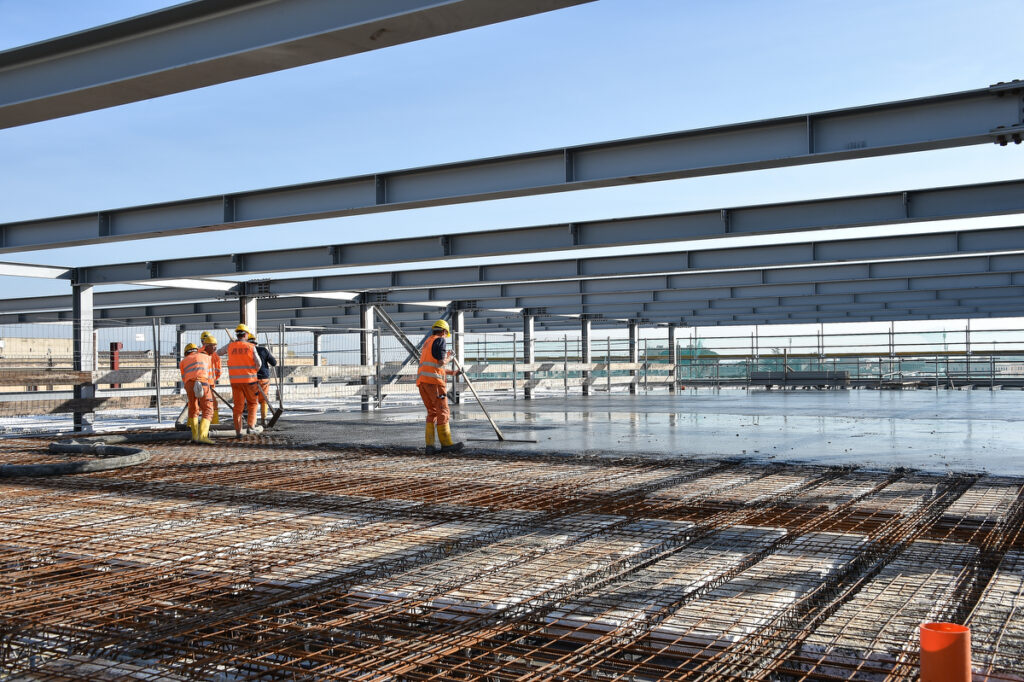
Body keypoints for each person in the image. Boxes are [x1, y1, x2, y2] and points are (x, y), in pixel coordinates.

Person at [416, 319, 463, 453]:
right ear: (443, 331)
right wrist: (450, 357)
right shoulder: (440, 340)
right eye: (445, 334)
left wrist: (453, 373)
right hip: (435, 385)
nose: (445, 336)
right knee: (443, 411)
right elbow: (441, 362)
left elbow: (433, 366)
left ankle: (430, 446)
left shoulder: (427, 342)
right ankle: (446, 444)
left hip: (423, 383)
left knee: (432, 412)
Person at [225, 323, 263, 436]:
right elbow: (259, 363)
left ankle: (238, 431)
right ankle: (251, 426)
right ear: (246, 335)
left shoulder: (230, 346)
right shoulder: (251, 347)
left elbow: (217, 353)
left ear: (237, 334)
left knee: (238, 407)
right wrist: (253, 371)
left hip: (235, 382)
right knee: (252, 403)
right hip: (250, 381)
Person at [178, 342, 214, 444]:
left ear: (186, 353)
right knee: (208, 409)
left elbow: (184, 378)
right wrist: (210, 386)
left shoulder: (183, 361)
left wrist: (189, 389)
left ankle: (195, 437)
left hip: (189, 384)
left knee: (193, 408)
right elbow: (210, 374)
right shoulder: (205, 357)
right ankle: (203, 436)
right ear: (196, 350)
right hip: (203, 382)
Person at [248, 331, 277, 423]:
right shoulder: (263, 350)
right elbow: (274, 363)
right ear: (256, 342)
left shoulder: (246, 351)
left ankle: (253, 421)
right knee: (264, 399)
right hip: (263, 378)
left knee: (253, 400)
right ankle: (264, 419)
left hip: (251, 378)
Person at [200, 331, 222, 424]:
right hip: (208, 384)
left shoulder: (197, 352)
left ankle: (195, 426)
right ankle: (214, 424)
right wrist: (213, 379)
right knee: (212, 405)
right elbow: (218, 370)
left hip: (199, 383)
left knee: (198, 406)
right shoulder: (214, 355)